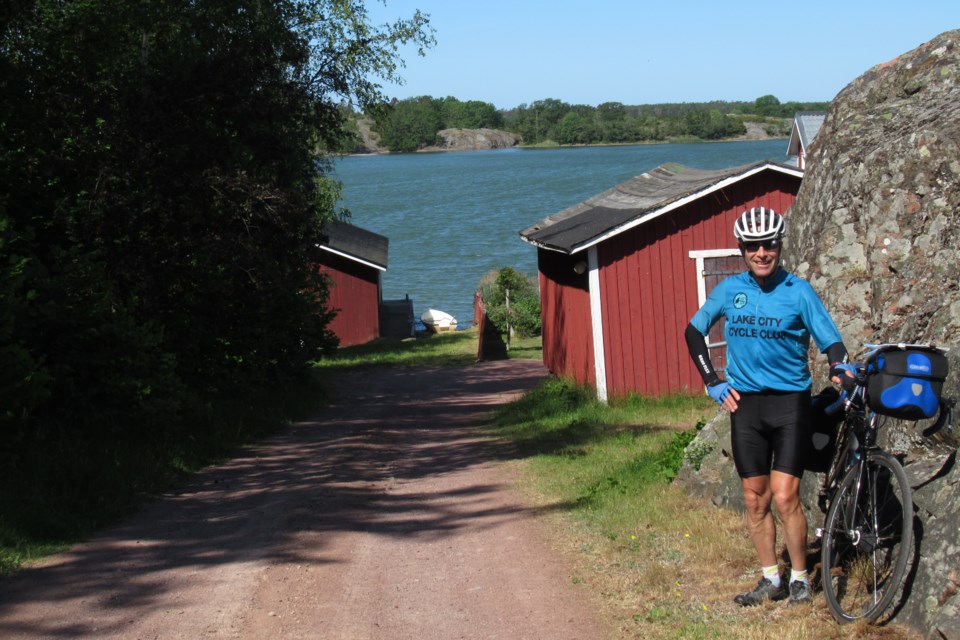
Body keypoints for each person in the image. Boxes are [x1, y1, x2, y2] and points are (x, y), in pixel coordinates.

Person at [684, 206, 853, 607]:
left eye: (769, 245)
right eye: (753, 246)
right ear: (742, 249)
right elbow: (694, 332)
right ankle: (769, 579)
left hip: (788, 404)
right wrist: (713, 381)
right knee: (754, 498)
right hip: (745, 406)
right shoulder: (729, 290)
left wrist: (838, 368)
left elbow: (832, 342)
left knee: (784, 496)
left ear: (779, 246)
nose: (762, 253)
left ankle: (799, 578)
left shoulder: (798, 291)